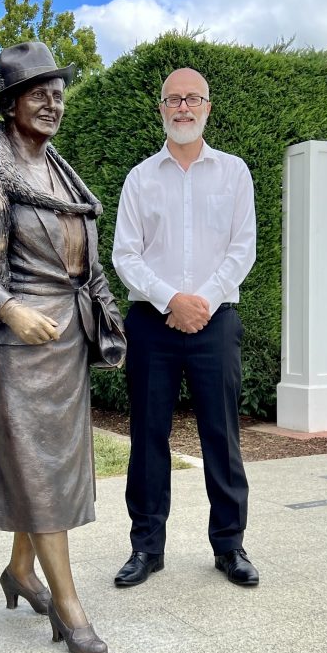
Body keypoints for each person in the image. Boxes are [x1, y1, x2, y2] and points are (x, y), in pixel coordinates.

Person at [0, 41, 120, 653]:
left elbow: (82, 261)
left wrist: (99, 317)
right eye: (37, 92)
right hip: (8, 342)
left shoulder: (63, 173)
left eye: (58, 91)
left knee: (49, 469)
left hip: (64, 341)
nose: (51, 102)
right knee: (38, 471)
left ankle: (20, 570)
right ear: (11, 103)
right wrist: (8, 309)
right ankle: (69, 607)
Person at [111, 67, 259, 588]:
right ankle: (146, 548)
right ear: (161, 110)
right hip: (153, 323)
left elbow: (244, 249)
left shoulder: (234, 173)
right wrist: (171, 299)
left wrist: (204, 302)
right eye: (173, 99)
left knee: (223, 436)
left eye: (193, 98)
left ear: (207, 108)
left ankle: (230, 546)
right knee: (147, 437)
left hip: (216, 323)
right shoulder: (139, 178)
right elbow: (125, 254)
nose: (183, 107)